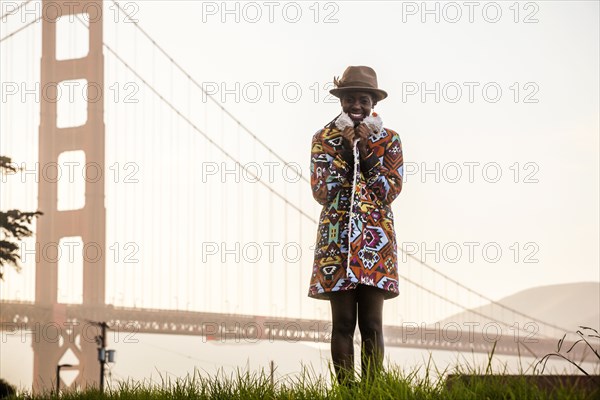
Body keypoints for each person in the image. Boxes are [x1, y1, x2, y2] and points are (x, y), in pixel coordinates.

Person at [308, 66, 404, 385]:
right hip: (336, 243)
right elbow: (322, 192)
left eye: (363, 99)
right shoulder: (323, 139)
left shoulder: (390, 140)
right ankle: (347, 392)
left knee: (373, 325)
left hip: (375, 244)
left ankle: (372, 391)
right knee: (343, 323)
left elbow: (389, 191)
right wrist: (347, 154)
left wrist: (366, 152)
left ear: (373, 102)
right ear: (341, 101)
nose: (357, 106)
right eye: (350, 99)